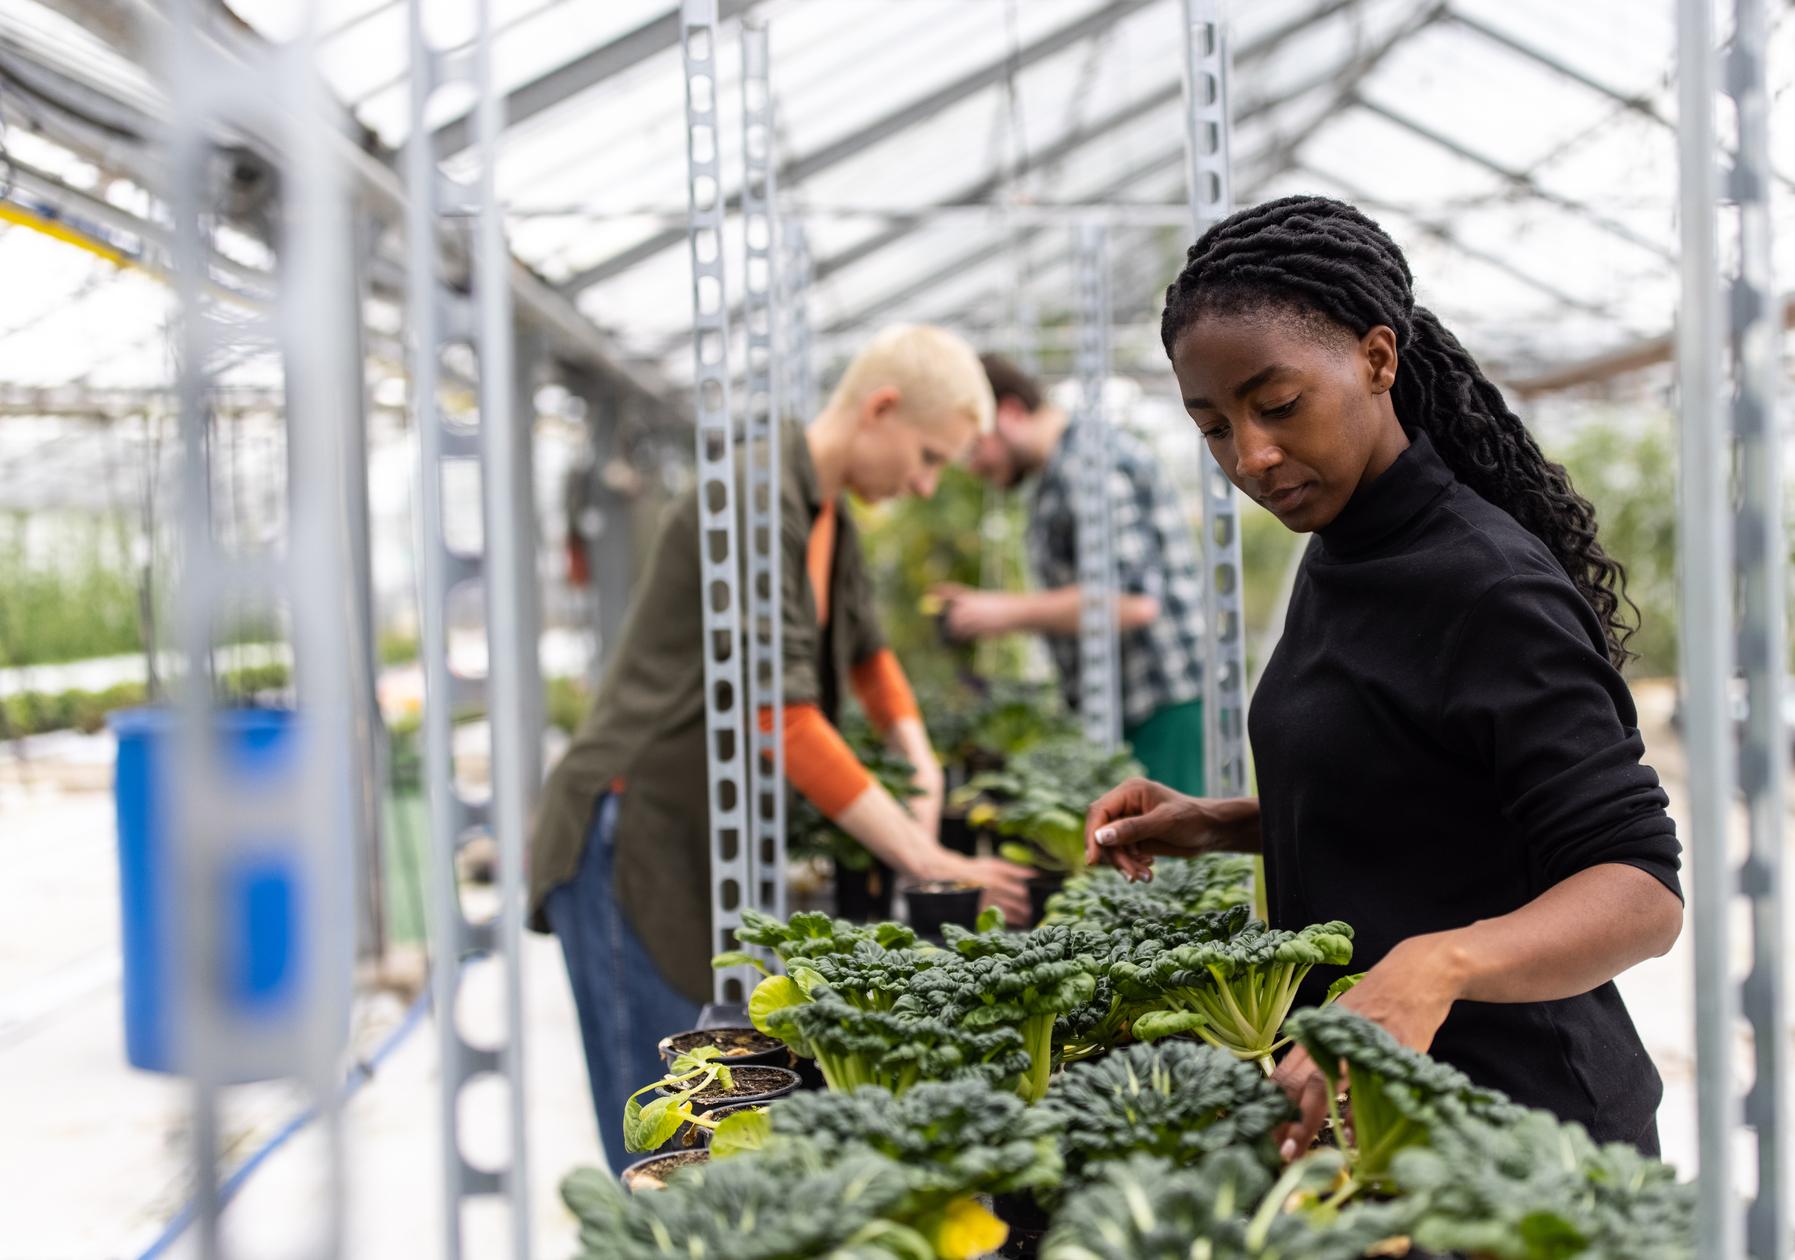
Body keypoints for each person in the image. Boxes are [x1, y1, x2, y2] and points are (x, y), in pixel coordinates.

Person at [1082, 197, 1684, 1155]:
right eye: (1215, 428)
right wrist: (1226, 821)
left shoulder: (1485, 585)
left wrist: (1431, 968)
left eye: (1277, 406)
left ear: (1376, 359)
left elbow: (1641, 886)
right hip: (1384, 1123)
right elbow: (1430, 786)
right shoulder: (1343, 544)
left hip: (1521, 1138)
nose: (1253, 456)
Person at [529, 324, 1033, 1173]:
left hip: (683, 830)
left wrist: (924, 762)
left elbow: (869, 655)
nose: (924, 482)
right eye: (927, 456)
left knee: (698, 1110)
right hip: (630, 825)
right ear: (879, 409)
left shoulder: (825, 509)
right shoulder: (757, 502)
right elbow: (782, 719)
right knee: (659, 1133)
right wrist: (929, 856)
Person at [938, 353, 1208, 792]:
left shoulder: (1088, 463)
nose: (972, 465)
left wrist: (1005, 612)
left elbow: (1133, 603)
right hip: (1128, 704)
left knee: (1172, 856)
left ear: (1009, 412)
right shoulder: (1055, 473)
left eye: (973, 446)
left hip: (1162, 700)